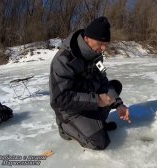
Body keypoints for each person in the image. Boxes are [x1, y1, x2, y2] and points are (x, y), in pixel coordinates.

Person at [49, 16, 131, 150]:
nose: (104, 48)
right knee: (100, 142)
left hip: (88, 100)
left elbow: (103, 80)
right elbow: (60, 99)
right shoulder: (63, 60)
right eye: (100, 43)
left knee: (115, 85)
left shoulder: (98, 57)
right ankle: (65, 128)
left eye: (106, 44)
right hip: (69, 109)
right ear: (87, 38)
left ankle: (98, 123)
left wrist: (119, 104)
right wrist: (97, 100)